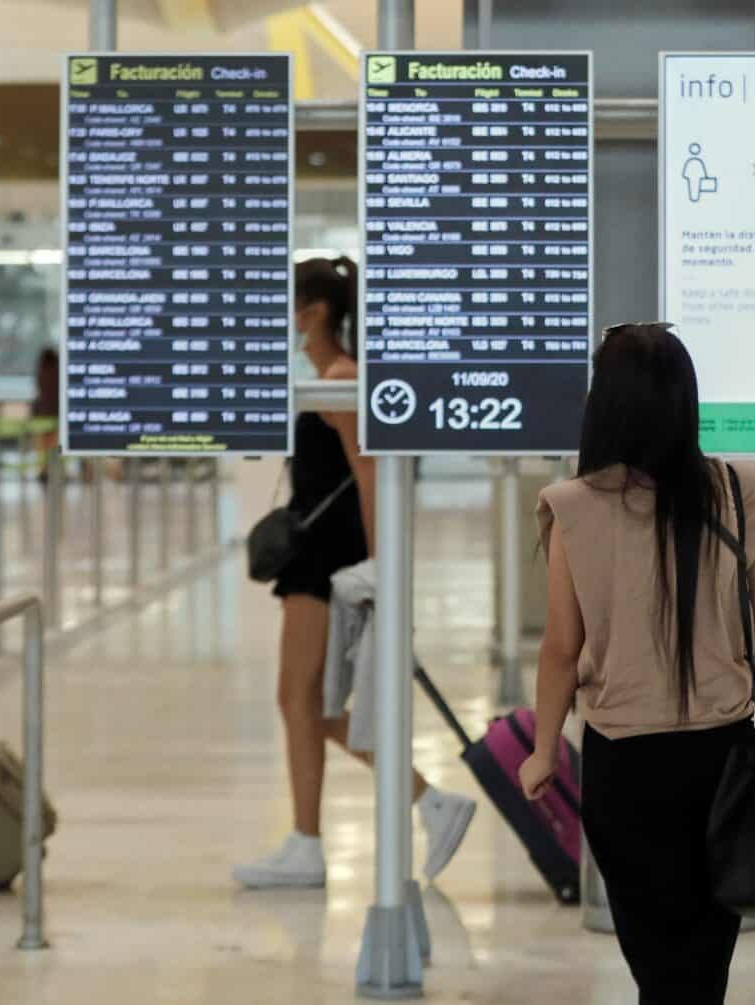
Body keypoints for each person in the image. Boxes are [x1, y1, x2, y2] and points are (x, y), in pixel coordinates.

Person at [520, 323, 755, 1005]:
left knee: (658, 963)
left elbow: (561, 646)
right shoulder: (741, 486)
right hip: (723, 759)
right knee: (704, 965)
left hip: (626, 763)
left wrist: (543, 750)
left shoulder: (572, 505)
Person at [233, 258, 476, 890]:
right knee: (309, 705)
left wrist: (381, 565)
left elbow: (372, 474)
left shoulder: (343, 378)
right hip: (324, 561)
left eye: (287, 307)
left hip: (328, 564)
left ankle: (317, 840)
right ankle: (421, 804)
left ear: (313, 312)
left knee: (299, 700)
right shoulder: (328, 378)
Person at [32, 347, 61, 456]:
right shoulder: (57, 373)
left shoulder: (42, 373)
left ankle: (44, 469)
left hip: (42, 415)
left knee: (43, 447)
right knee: (54, 446)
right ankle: (50, 469)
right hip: (54, 414)